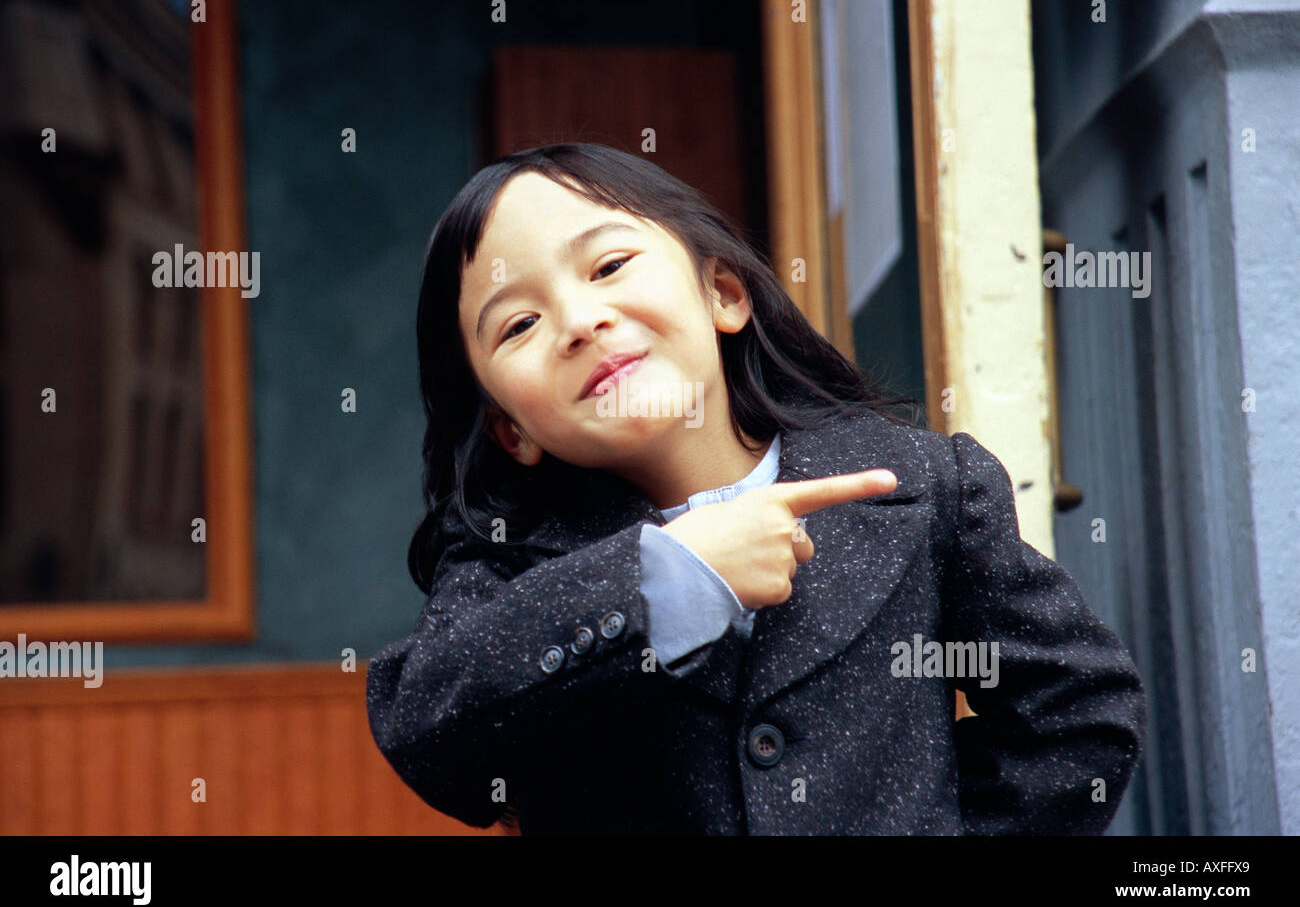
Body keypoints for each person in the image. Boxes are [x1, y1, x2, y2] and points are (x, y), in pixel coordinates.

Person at [365, 142, 1147, 835]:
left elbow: (1081, 710)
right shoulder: (510, 567)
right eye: (518, 325)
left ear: (725, 294)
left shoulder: (924, 487)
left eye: (608, 267)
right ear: (511, 431)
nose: (579, 320)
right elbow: (429, 729)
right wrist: (671, 577)